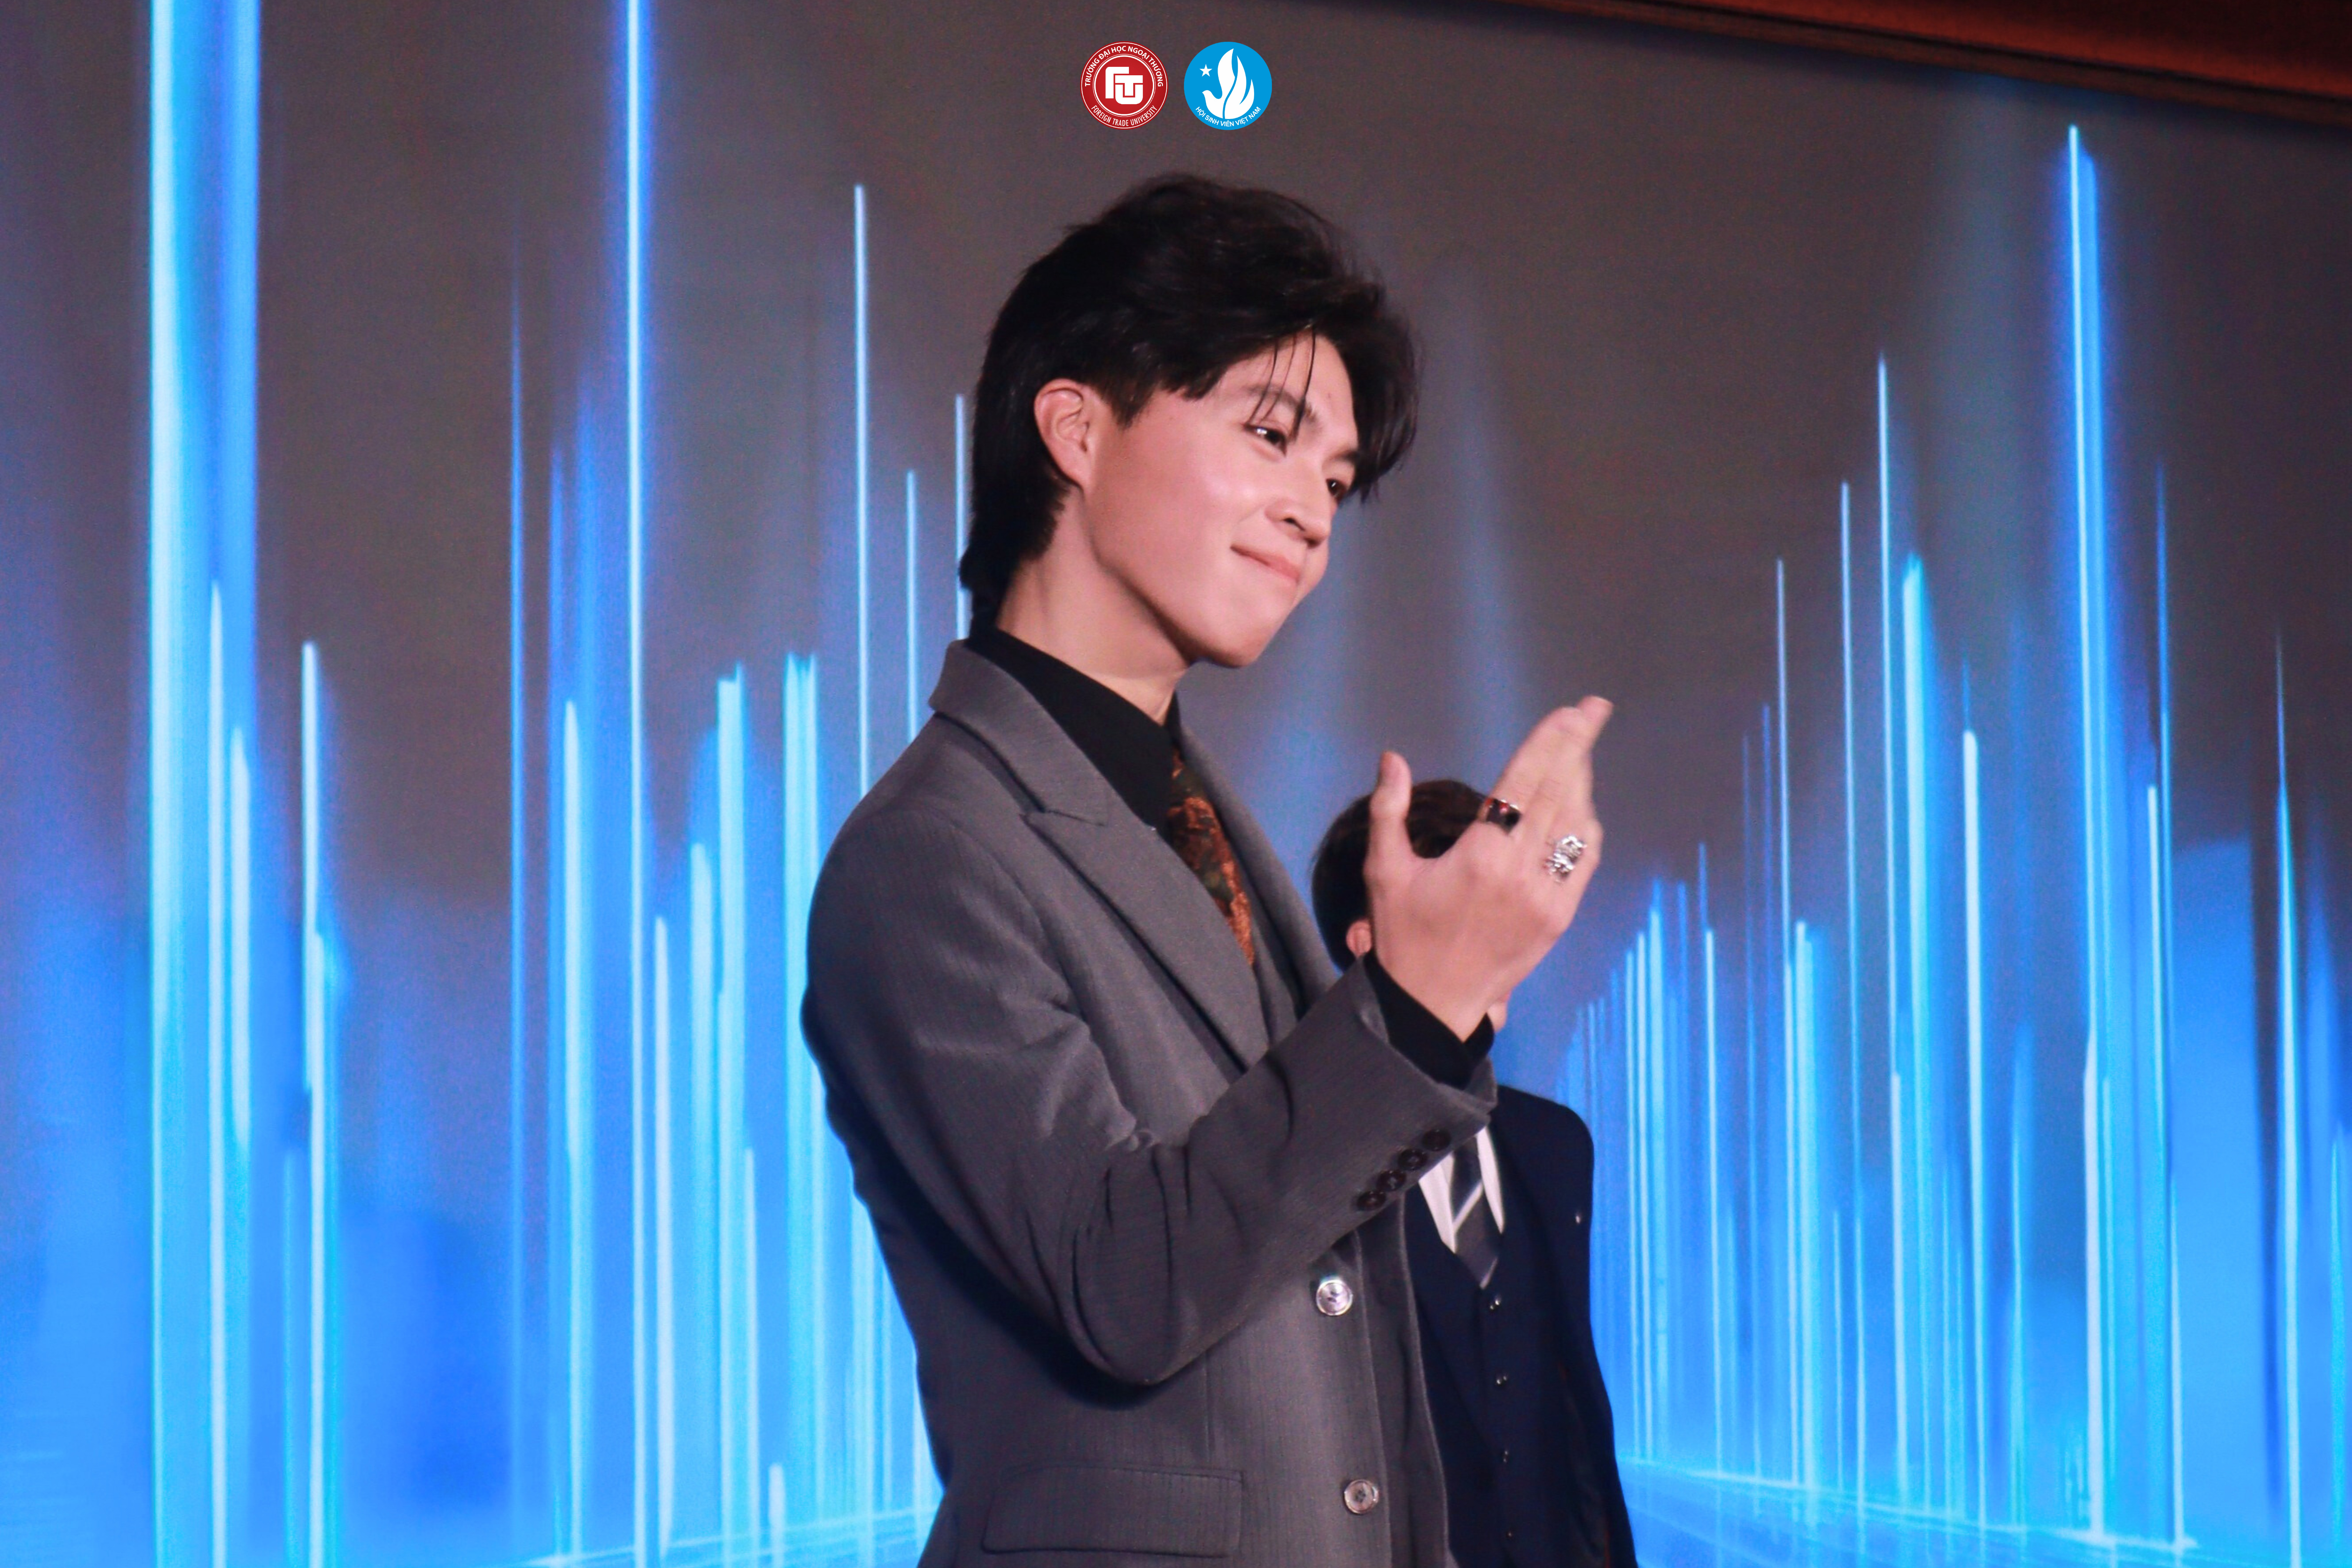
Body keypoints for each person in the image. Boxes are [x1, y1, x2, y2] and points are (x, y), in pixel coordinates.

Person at [801, 174, 1609, 1567]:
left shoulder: (1201, 818)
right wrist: (1415, 1013)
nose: (1312, 513)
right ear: (1075, 428)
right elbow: (1124, 1282)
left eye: (1335, 481)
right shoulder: (926, 853)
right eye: (1270, 436)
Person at [1311, 781, 1637, 1568]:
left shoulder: (1554, 1144)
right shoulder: (1301, 1153)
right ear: (1367, 941)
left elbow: (1566, 1406)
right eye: (1464, 913)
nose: (1499, 945)